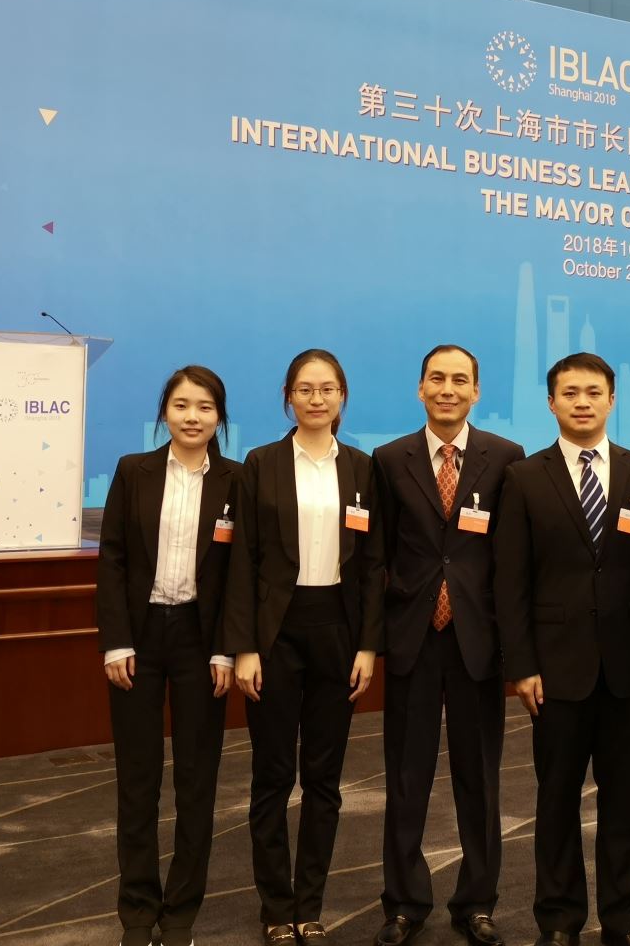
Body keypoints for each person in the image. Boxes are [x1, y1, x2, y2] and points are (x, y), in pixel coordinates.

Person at [493, 352, 630, 946]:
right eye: (569, 393)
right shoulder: (523, 477)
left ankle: (625, 919)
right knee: (556, 801)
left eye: (593, 392)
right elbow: (510, 581)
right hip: (554, 671)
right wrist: (521, 665)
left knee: (625, 801)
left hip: (629, 671)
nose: (582, 402)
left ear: (612, 400)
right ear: (551, 403)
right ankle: (559, 920)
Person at [225, 348, 385, 946]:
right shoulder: (260, 464)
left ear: (342, 397)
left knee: (324, 779)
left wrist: (367, 646)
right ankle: (275, 907)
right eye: (304, 389)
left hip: (337, 632)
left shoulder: (363, 468)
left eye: (327, 389)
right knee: (271, 776)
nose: (316, 399)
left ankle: (309, 906)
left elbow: (373, 566)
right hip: (274, 634)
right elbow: (243, 560)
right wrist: (244, 647)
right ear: (288, 397)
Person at [371, 345, 525, 946]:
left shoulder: (505, 457)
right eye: (437, 378)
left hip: (476, 639)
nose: (448, 389)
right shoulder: (390, 459)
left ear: (476, 392)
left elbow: (510, 558)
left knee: (479, 778)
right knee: (405, 778)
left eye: (460, 380)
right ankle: (404, 903)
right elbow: (378, 553)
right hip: (411, 636)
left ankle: (477, 901)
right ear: (420, 388)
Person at [96, 364, 241, 946]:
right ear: (165, 413)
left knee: (196, 782)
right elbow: (112, 560)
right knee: (137, 781)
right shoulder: (134, 471)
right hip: (139, 638)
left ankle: (180, 914)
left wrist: (227, 650)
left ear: (219, 417)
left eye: (205, 407)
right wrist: (115, 640)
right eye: (181, 406)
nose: (192, 417)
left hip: (201, 646)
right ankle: (137, 912)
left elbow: (237, 577)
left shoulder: (236, 481)